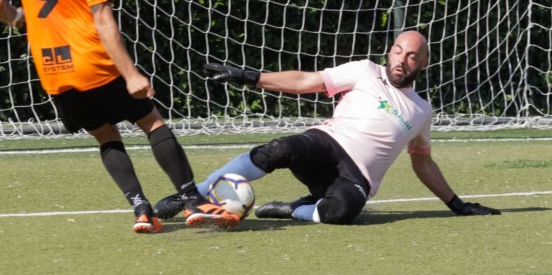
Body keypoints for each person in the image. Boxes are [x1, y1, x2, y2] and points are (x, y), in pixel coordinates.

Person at [0, 0, 239, 233]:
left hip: (53, 71)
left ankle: (141, 210)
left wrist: (17, 17)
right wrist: (131, 74)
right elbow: (103, 20)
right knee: (152, 123)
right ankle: (193, 200)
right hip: (93, 64)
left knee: (106, 135)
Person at [154, 30, 501, 224]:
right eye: (398, 51)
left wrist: (457, 204)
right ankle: (193, 195)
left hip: (357, 177)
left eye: (411, 56)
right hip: (327, 143)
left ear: (423, 62)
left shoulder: (422, 110)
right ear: (390, 52)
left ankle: (293, 209)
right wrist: (251, 77)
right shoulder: (365, 71)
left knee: (343, 212)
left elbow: (422, 161)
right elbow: (307, 81)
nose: (401, 59)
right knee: (280, 149)